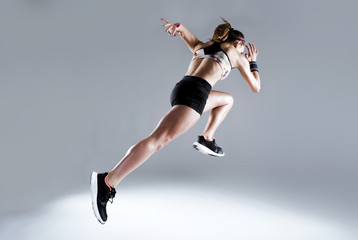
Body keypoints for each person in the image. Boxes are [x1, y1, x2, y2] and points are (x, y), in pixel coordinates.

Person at [91, 17, 261, 224]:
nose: (243, 53)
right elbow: (255, 86)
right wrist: (252, 62)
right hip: (196, 94)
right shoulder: (236, 53)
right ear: (238, 43)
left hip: (184, 87)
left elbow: (185, 33)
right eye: (243, 49)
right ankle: (108, 181)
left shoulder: (204, 46)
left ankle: (207, 138)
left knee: (227, 100)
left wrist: (178, 28)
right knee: (158, 140)